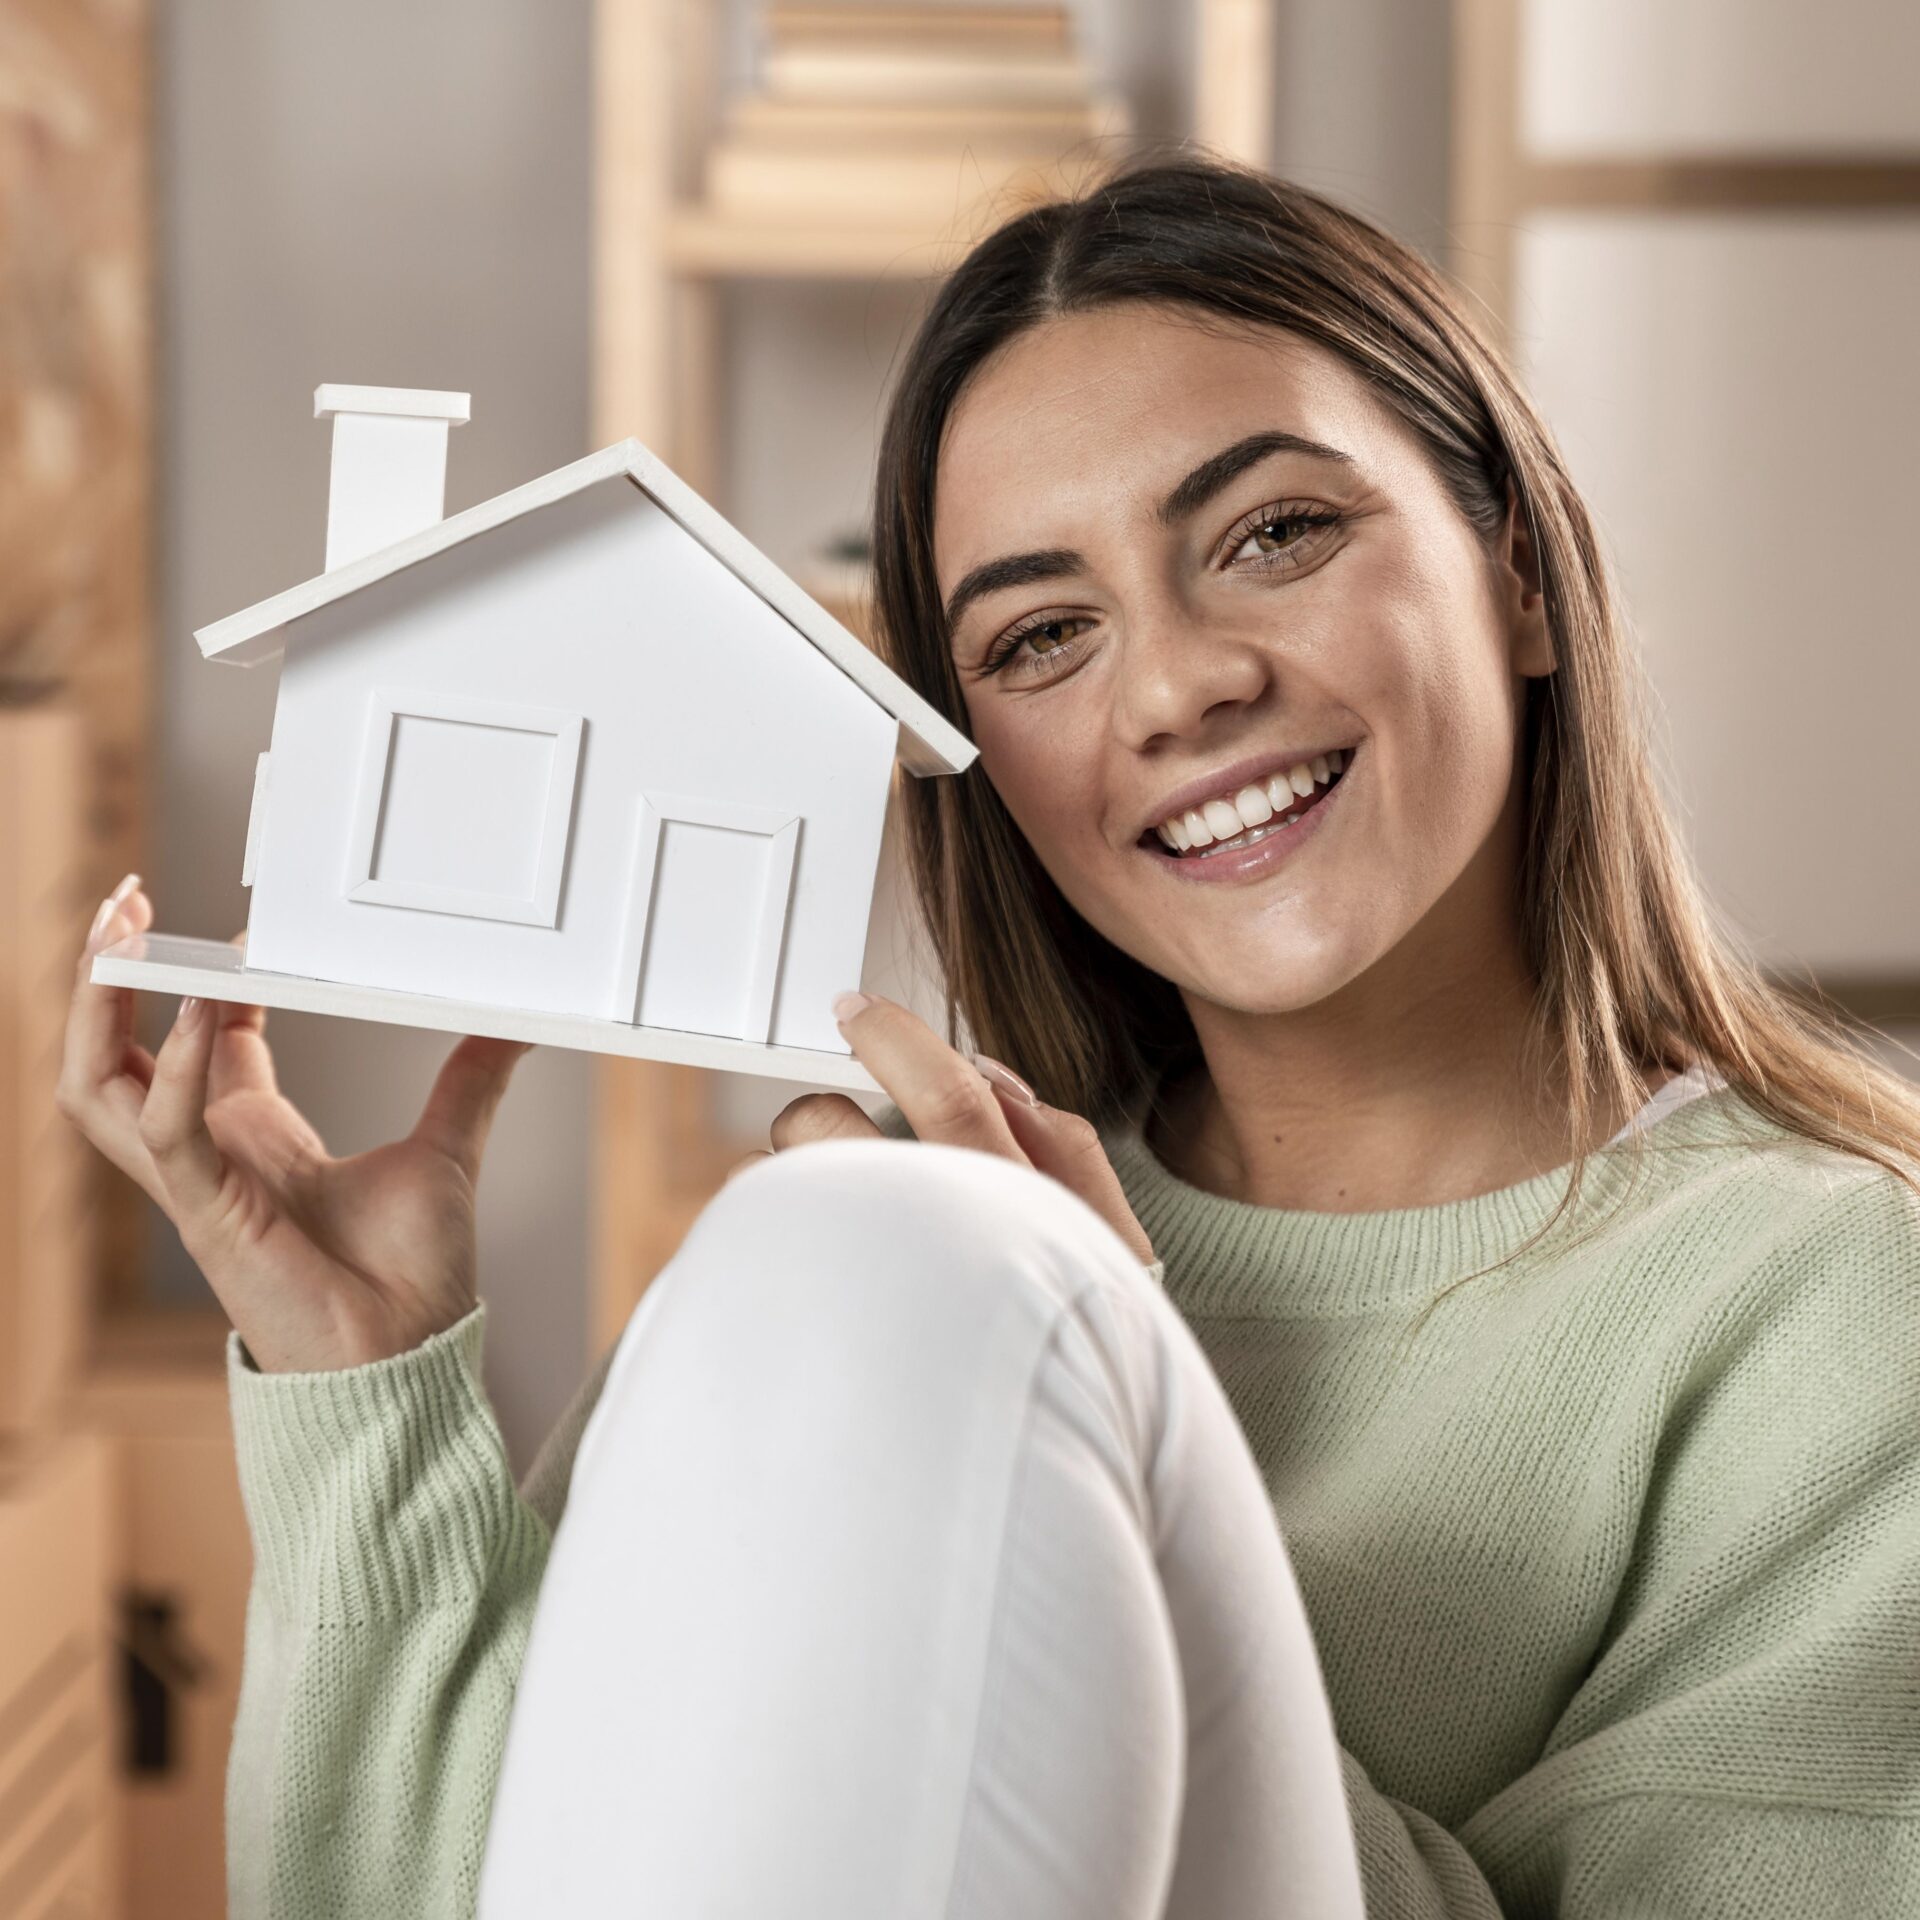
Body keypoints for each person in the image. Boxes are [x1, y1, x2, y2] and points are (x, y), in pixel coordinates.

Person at [58, 159, 1920, 1918]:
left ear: (1517, 569)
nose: (1183, 684)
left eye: (1275, 534)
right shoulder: (882, 1236)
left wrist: (1102, 1363)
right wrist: (368, 1395)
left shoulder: (1834, 1302)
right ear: (981, 771)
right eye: (1039, 639)